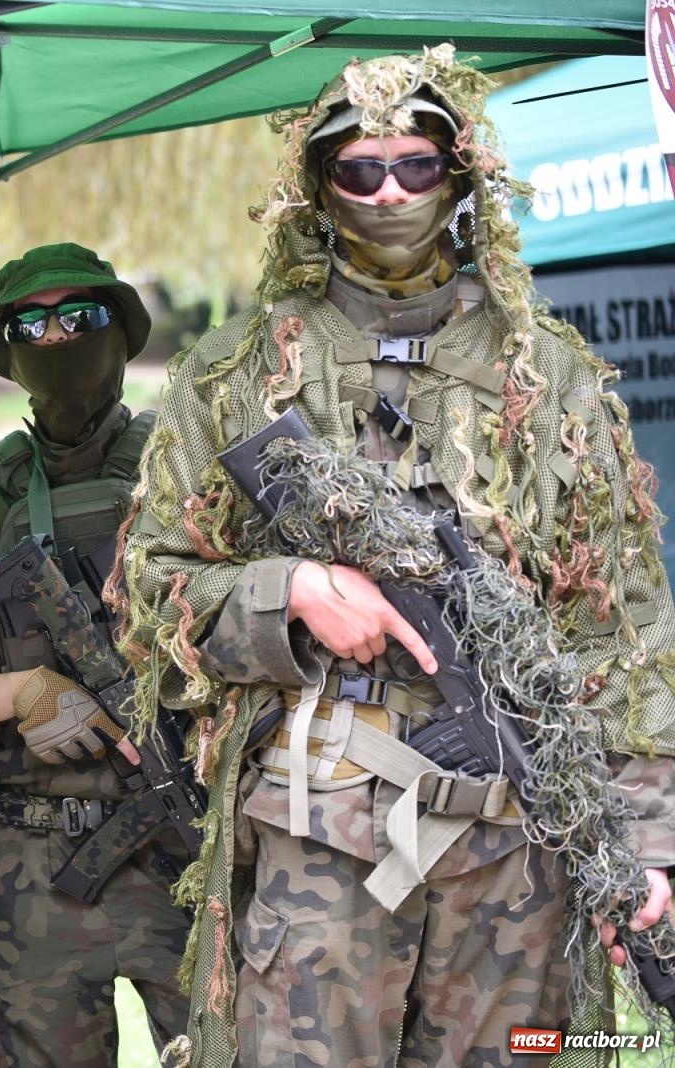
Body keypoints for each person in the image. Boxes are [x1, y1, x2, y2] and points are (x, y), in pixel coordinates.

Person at [115, 46, 675, 1065]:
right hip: (320, 839)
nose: (387, 193)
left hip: (520, 839)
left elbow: (624, 628)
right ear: (317, 187)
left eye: (414, 166)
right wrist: (292, 591)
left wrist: (644, 840)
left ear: (458, 180)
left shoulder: (545, 375)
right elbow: (153, 584)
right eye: (358, 169)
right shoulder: (240, 375)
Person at [0, 243, 193, 1066]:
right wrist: (22, 695)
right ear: (7, 350)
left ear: (120, 331)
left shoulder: (182, 470)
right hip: (34, 865)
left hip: (183, 846)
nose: (55, 340)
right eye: (30, 323)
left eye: (77, 317)